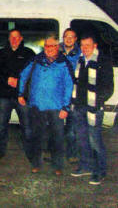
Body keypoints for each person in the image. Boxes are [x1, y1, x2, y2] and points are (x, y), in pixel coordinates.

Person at [18, 34, 73, 176]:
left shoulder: (64, 62)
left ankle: (58, 166)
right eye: (47, 46)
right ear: (44, 47)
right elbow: (23, 75)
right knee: (36, 137)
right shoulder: (36, 60)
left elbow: (69, 85)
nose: (50, 48)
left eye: (53, 46)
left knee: (58, 138)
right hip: (37, 105)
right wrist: (20, 94)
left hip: (56, 107)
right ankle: (36, 164)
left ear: (58, 47)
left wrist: (66, 107)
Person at [70, 34, 113, 185]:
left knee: (95, 141)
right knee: (82, 140)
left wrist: (96, 103)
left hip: (93, 109)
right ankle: (86, 166)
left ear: (95, 46)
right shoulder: (81, 60)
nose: (85, 48)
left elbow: (109, 88)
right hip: (79, 107)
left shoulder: (103, 61)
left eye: (88, 45)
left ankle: (100, 172)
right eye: (82, 45)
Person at [0, 29, 35, 160]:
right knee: (1, 126)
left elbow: (33, 72)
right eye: (11, 37)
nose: (14, 40)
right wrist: (6, 79)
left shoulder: (28, 53)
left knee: (27, 127)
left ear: (21, 39)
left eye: (16, 37)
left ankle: (30, 153)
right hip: (4, 96)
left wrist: (19, 81)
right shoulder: (1, 53)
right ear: (9, 39)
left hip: (22, 97)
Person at [60, 28, 81, 164]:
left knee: (71, 130)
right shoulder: (55, 51)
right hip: (57, 95)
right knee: (55, 127)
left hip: (73, 96)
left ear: (75, 39)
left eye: (71, 37)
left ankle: (71, 154)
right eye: (66, 36)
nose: (68, 39)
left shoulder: (81, 54)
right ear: (63, 37)